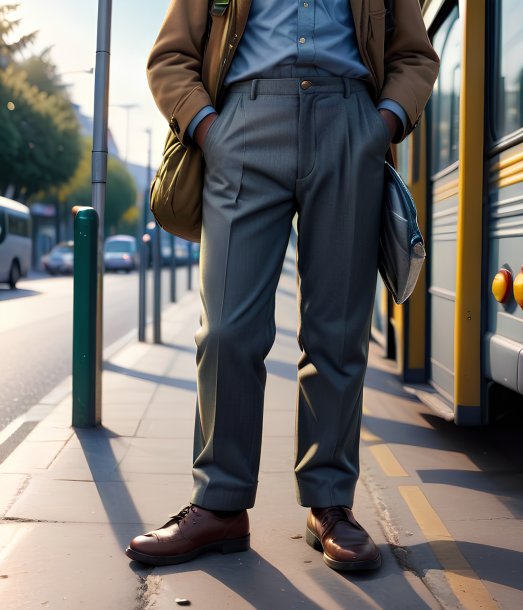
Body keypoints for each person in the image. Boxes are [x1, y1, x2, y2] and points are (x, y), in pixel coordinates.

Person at [126, 0, 439, 572]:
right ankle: (219, 505)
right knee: (225, 328)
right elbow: (170, 56)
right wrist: (208, 128)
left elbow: (415, 57)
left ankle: (330, 504)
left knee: (338, 332)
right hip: (242, 124)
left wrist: (383, 123)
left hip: (351, 124)